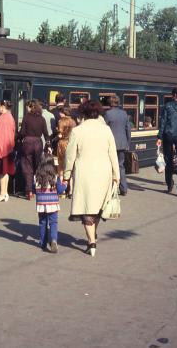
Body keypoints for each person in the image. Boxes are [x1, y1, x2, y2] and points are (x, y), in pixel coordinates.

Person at [64, 100, 120, 257]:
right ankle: (93, 235)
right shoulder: (106, 130)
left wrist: (66, 175)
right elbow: (113, 154)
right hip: (104, 172)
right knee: (97, 208)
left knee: (87, 207)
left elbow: (70, 156)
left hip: (85, 174)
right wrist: (117, 175)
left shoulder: (77, 131)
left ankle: (92, 242)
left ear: (83, 114)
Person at [18, 100, 50, 200]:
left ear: (31, 107)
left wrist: (18, 137)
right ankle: (40, 188)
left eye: (28, 107)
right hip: (38, 143)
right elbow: (45, 133)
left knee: (27, 167)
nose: (26, 109)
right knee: (38, 166)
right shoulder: (42, 119)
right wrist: (48, 144)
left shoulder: (27, 118)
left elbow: (22, 132)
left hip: (27, 142)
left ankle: (29, 191)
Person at [34, 157, 66, 253]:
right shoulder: (55, 178)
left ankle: (43, 243)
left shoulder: (36, 178)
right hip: (53, 204)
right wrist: (65, 185)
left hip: (41, 205)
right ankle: (53, 240)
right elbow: (60, 190)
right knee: (53, 223)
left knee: (42, 223)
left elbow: (33, 189)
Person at [103, 95, 131, 196]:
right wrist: (128, 143)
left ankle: (110, 190)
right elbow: (128, 129)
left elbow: (103, 128)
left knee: (110, 167)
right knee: (120, 166)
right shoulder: (124, 113)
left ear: (110, 103)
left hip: (110, 145)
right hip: (122, 144)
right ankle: (124, 189)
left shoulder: (107, 114)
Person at [0, 100, 16, 202]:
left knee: (2, 172)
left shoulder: (3, 118)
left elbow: (0, 134)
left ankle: (1, 194)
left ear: (2, 107)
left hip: (2, 149)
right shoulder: (10, 117)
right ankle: (5, 193)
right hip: (8, 148)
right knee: (6, 173)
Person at [55, 109, 76, 198]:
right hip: (71, 143)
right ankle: (70, 191)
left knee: (61, 167)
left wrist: (59, 134)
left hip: (62, 144)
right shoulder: (73, 122)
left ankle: (62, 190)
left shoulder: (61, 121)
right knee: (70, 166)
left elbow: (60, 134)